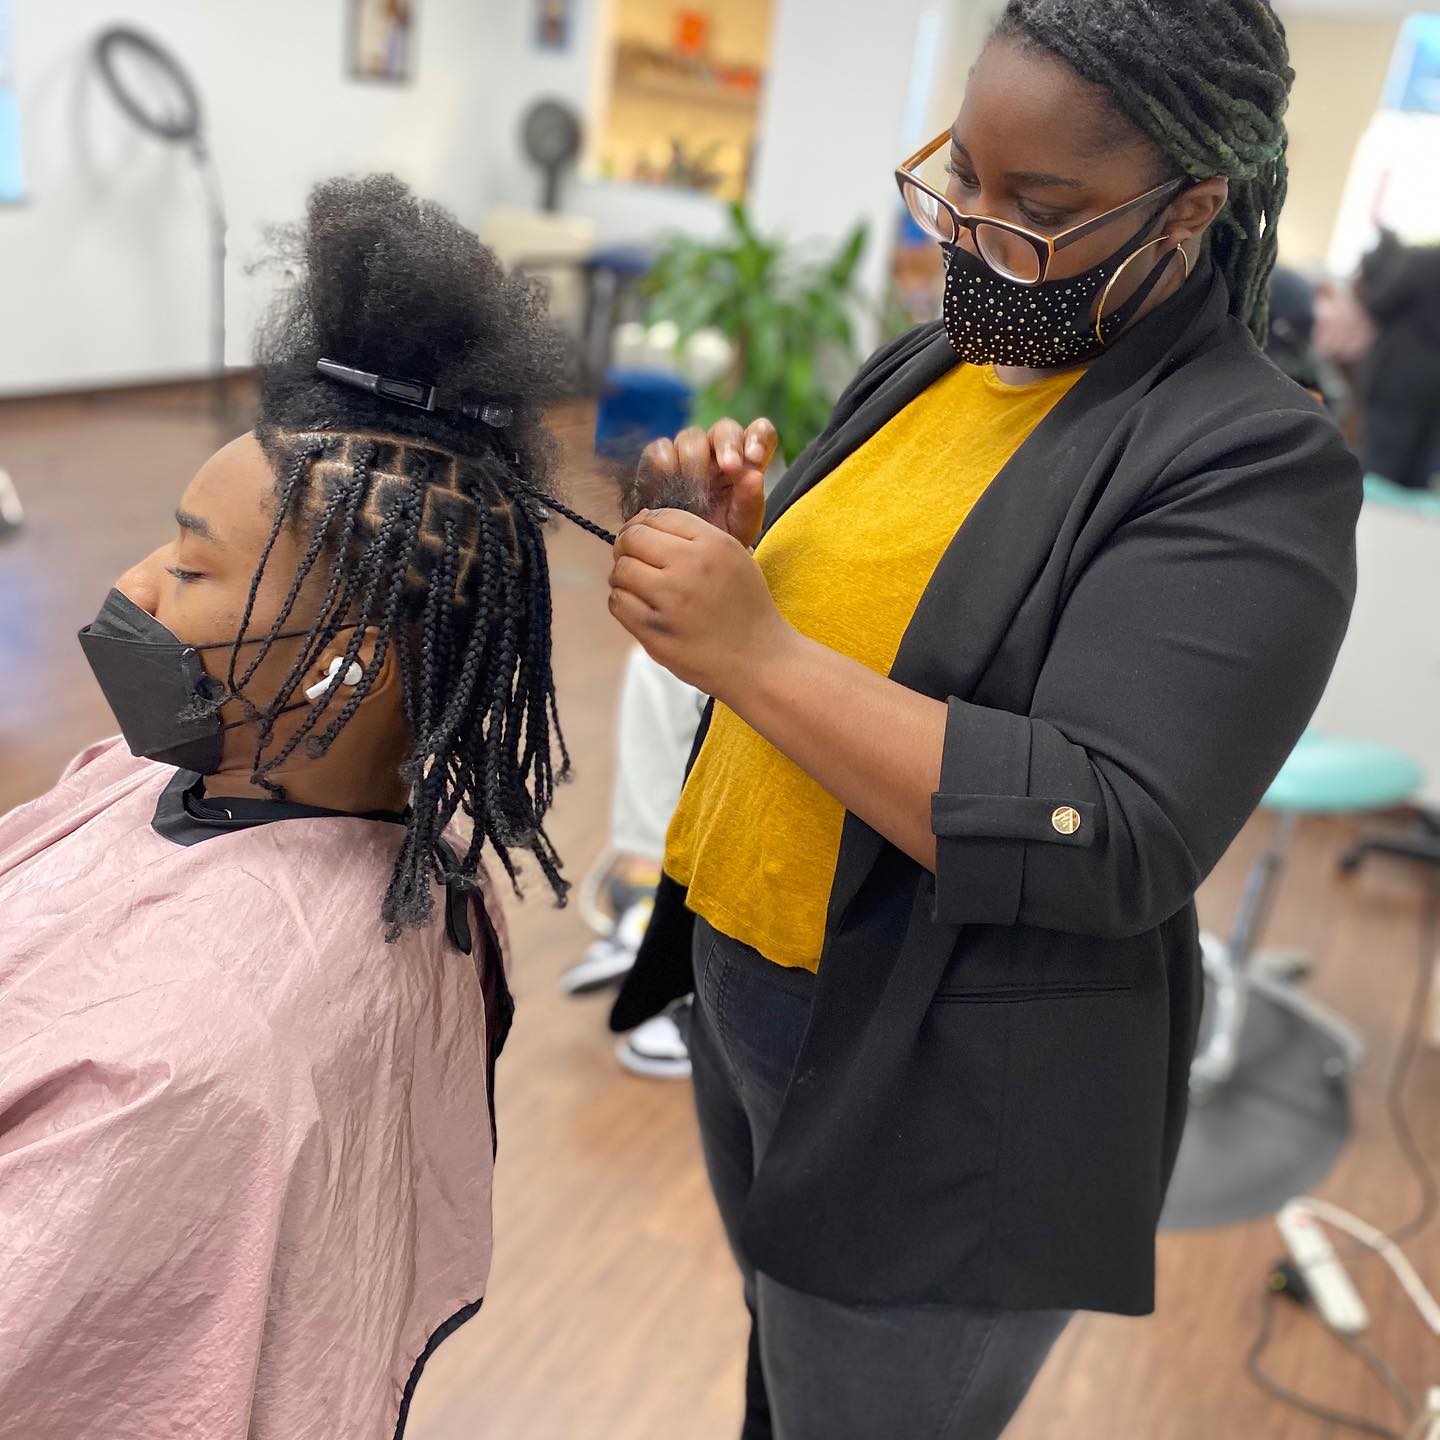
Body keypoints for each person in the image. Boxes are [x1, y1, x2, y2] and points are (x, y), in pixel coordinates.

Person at [606, 3, 1361, 1437]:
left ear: (1190, 207)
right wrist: (737, 556)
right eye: (962, 175)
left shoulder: (1251, 459)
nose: (971, 233)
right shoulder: (935, 362)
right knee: (784, 1378)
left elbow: (1112, 828)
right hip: (747, 984)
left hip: (938, 1085)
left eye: (1042, 209)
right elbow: (871, 637)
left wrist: (757, 652)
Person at [0, 176, 590, 1440]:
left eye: (190, 566)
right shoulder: (189, 777)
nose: (132, 585)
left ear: (344, 665)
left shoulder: (191, 1055)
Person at [1356, 235, 1440, 491]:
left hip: (1402, 368)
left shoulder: (1423, 260)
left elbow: (1379, 303)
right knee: (1418, 461)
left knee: (1382, 455)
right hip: (1434, 378)